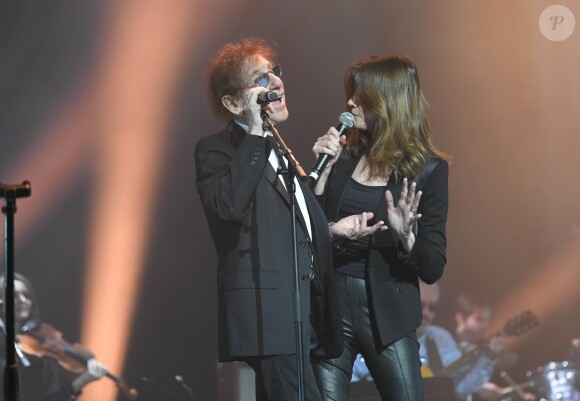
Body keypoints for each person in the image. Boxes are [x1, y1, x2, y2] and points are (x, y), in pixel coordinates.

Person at [195, 38, 385, 401]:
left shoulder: (276, 146)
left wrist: (331, 230)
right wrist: (253, 131)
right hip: (269, 314)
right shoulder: (219, 149)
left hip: (303, 308)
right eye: (261, 78)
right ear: (234, 102)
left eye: (275, 72)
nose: (277, 82)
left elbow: (285, 226)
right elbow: (227, 209)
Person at [310, 54, 449, 401]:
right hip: (333, 308)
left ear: (388, 101)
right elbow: (309, 233)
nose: (350, 102)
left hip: (387, 314)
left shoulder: (428, 171)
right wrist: (320, 176)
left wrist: (406, 237)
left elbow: (433, 267)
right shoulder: (342, 156)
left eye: (361, 95)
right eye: (351, 93)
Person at [0, 273, 107, 401]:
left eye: (27, 295)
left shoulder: (43, 355)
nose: (23, 300)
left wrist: (83, 380)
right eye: (13, 295)